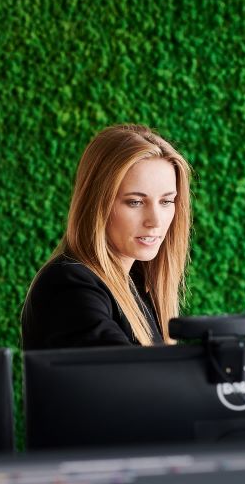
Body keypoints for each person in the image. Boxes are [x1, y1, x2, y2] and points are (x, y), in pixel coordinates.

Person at [21, 124, 192, 349]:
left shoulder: (136, 285)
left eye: (166, 201)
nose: (156, 221)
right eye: (135, 202)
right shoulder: (69, 286)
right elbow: (129, 378)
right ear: (96, 204)